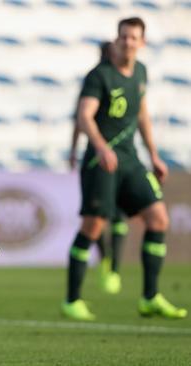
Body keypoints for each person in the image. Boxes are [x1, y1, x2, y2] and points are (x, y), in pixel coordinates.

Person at [62, 17, 187, 321]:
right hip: (100, 161)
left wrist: (154, 155)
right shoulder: (99, 75)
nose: (127, 42)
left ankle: (150, 297)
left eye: (133, 38)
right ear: (116, 40)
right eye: (123, 37)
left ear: (141, 43)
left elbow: (142, 114)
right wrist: (101, 147)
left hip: (130, 159)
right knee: (92, 228)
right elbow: (85, 115)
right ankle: (72, 300)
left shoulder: (140, 72)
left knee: (158, 219)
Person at [68, 41, 128, 295]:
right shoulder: (96, 80)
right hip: (97, 159)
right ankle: (107, 262)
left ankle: (112, 265)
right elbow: (81, 119)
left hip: (121, 156)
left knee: (118, 215)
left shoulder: (119, 79)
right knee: (99, 218)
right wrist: (74, 149)